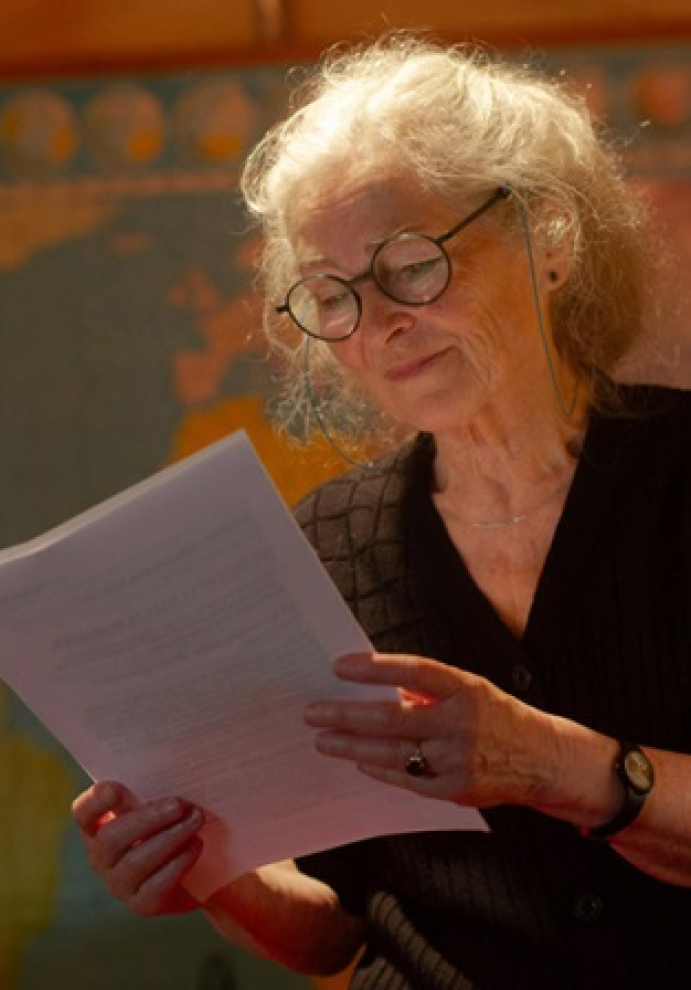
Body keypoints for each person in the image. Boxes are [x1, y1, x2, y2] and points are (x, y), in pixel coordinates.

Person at [71, 33, 691, 990]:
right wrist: (213, 875)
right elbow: (338, 928)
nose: (381, 322)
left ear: (550, 240)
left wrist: (548, 761)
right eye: (333, 296)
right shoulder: (324, 548)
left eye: (411, 264)